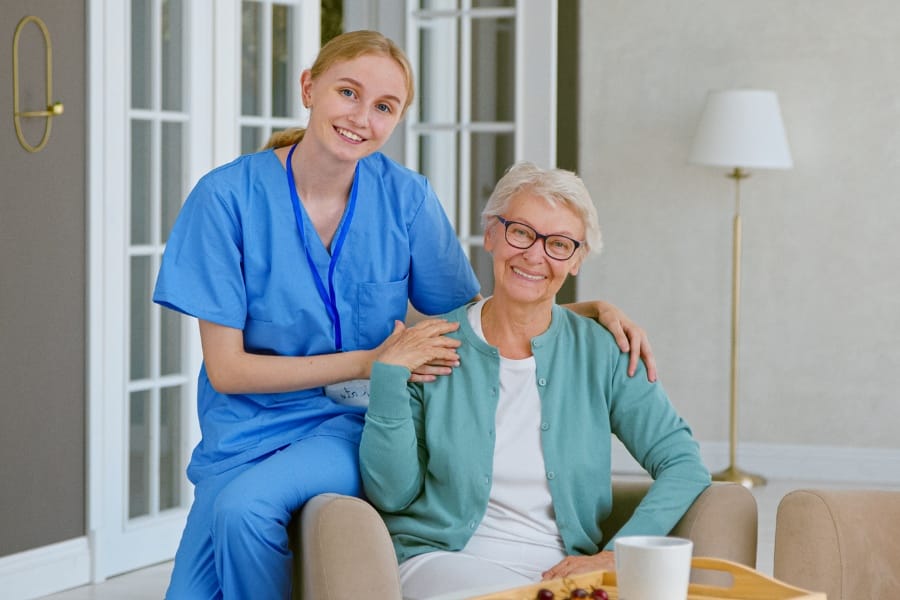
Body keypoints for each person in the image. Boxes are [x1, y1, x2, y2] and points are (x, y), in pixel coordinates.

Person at [154, 31, 655, 599]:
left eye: (384, 107)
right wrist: (371, 361)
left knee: (246, 510)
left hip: (350, 426)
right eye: (348, 92)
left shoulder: (406, 198)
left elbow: (472, 316)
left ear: (396, 120)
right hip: (241, 431)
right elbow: (228, 372)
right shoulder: (224, 199)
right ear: (309, 87)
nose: (361, 117)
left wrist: (582, 309)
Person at [359, 161, 712, 600]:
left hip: (562, 572)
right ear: (491, 234)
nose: (534, 255)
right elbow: (391, 495)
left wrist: (616, 554)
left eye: (559, 244)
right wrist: (389, 380)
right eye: (521, 232)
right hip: (443, 561)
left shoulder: (602, 350)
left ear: (578, 259)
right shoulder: (432, 345)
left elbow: (683, 462)